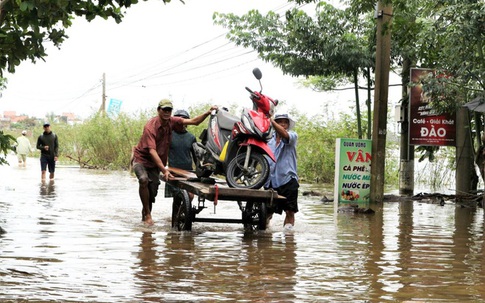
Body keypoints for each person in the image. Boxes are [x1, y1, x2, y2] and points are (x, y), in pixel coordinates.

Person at [132, 99, 217, 226]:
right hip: (141, 159)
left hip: (155, 164)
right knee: (144, 180)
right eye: (164, 110)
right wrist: (164, 169)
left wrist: (207, 113)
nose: (166, 112)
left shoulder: (172, 122)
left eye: (169, 110)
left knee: (152, 190)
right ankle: (148, 215)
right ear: (158, 110)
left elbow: (194, 121)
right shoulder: (151, 126)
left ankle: (146, 211)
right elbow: (152, 151)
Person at [264, 112, 299, 230]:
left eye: (285, 122)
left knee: (290, 211)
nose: (283, 124)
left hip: (288, 180)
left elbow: (284, 134)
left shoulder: (292, 136)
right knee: (267, 212)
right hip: (271, 182)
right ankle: (265, 232)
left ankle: (288, 238)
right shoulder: (269, 141)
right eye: (280, 122)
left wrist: (272, 121)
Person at [164, 109, 197, 201]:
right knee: (177, 198)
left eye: (184, 120)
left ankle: (185, 214)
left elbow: (196, 157)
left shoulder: (191, 138)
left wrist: (200, 172)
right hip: (173, 173)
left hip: (188, 173)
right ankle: (177, 214)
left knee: (190, 196)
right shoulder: (169, 136)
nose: (181, 123)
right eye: (179, 120)